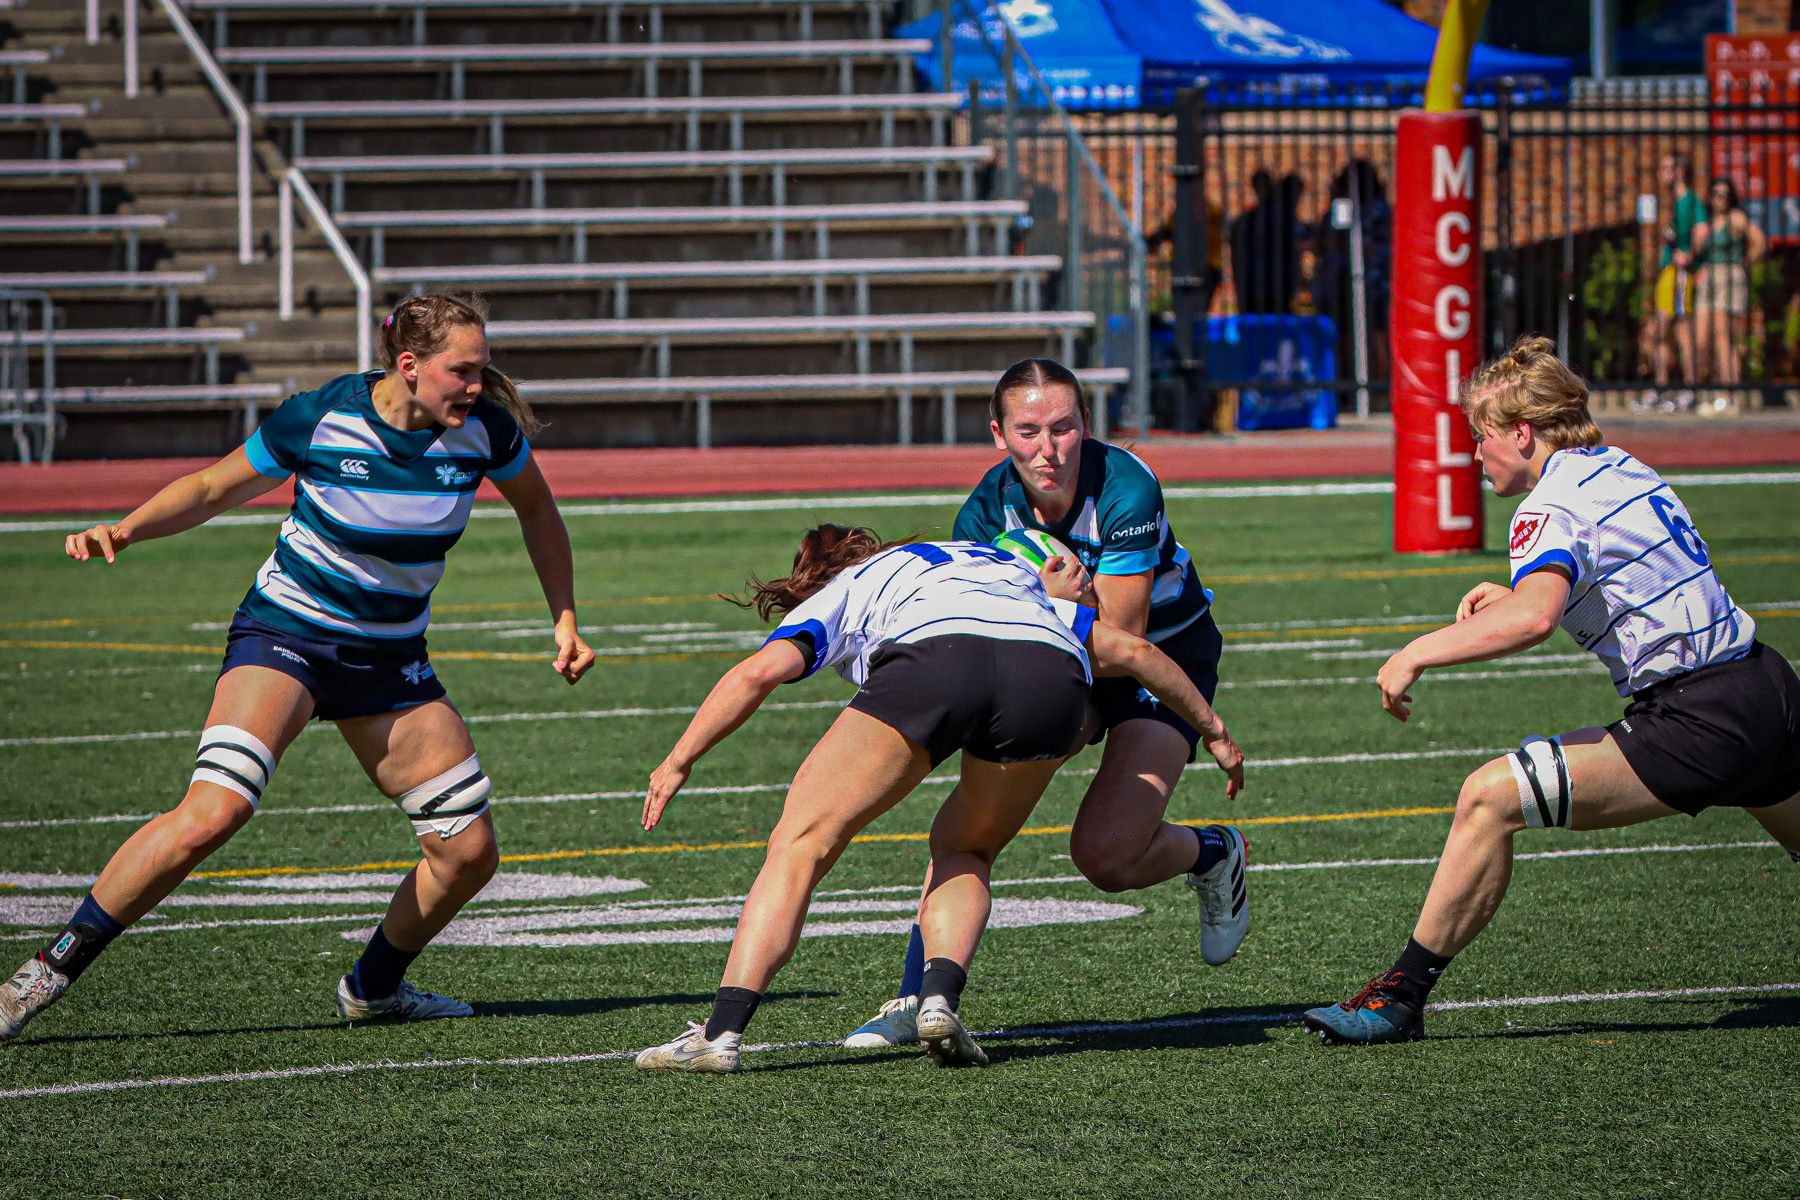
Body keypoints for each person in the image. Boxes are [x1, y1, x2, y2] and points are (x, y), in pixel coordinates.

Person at [0, 293, 596, 1043]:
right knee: (213, 814)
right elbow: (215, 486)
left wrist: (564, 617)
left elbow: (537, 509)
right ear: (408, 366)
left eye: (482, 370)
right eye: (463, 371)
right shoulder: (322, 416)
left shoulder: (486, 433)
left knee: (468, 852)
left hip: (388, 660)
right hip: (287, 636)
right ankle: (39, 975)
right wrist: (126, 528)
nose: (478, 386)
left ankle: (373, 989)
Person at [1302, 337, 1800, 1045]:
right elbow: (1619, 579)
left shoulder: (1547, 506)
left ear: (1522, 433)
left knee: (1487, 798)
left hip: (1699, 719)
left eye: (1482, 436)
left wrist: (1416, 653)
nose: (1476, 454)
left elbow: (1536, 618)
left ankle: (1398, 999)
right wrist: (1512, 593)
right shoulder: (1623, 467)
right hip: (1766, 688)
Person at [633, 526, 1244, 1073]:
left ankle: (720, 1034)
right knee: (967, 849)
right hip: (1051, 675)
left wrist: (677, 759)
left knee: (801, 843)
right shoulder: (993, 566)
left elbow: (755, 673)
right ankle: (938, 1003)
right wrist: (1214, 731)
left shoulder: (855, 585)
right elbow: (1136, 653)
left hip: (937, 658)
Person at [841, 358, 1245, 1050]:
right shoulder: (984, 507)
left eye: (1063, 427)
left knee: (1106, 857)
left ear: (1087, 426)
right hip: (1058, 659)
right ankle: (919, 995)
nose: (1047, 448)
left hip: (1157, 661)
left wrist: (1056, 600)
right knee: (971, 827)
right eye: (1028, 431)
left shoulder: (1125, 484)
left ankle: (1212, 852)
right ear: (999, 434)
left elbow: (1123, 636)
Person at [1690, 176, 1766, 412]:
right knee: (1701, 338)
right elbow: (1695, 255)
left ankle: (1728, 393)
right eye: (1715, 194)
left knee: (1724, 338)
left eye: (1724, 194)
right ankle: (1716, 386)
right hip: (1709, 276)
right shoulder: (1706, 223)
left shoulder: (1737, 218)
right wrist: (1697, 242)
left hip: (1729, 277)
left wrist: (1744, 262)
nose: (1720, 199)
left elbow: (1761, 242)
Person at [1638, 154, 1703, 413]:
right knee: (1663, 332)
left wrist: (1690, 256)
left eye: (1666, 168)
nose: (1661, 173)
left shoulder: (1689, 201)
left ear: (1680, 171)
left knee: (1675, 330)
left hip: (1678, 273)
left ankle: (1689, 389)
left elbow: (1702, 230)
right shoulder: (1676, 202)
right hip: (1669, 273)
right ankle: (1663, 387)